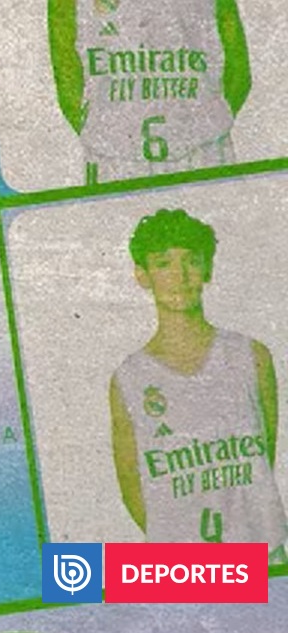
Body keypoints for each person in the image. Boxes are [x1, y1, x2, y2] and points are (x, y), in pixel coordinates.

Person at [110, 208, 288, 561]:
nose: (179, 276)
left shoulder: (250, 355)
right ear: (143, 275)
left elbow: (262, 456)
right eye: (164, 264)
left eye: (191, 261)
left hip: (261, 552)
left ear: (207, 268)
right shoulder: (129, 378)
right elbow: (132, 486)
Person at [48, 0, 250, 184]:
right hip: (115, 155)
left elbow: (237, 69)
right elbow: (67, 76)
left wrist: (212, 122)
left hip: (201, 148)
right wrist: (98, 130)